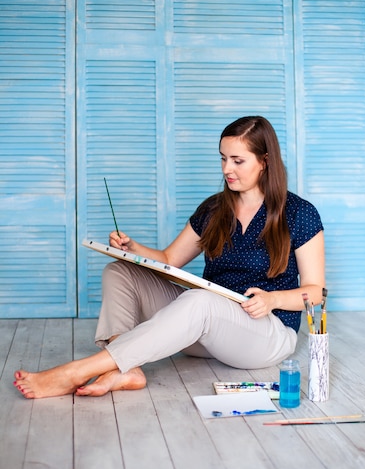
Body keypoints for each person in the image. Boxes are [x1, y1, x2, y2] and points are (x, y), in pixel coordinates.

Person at [14, 115, 325, 399]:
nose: (226, 169)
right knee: (118, 271)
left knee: (199, 301)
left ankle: (75, 371)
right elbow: (169, 258)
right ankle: (125, 368)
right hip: (207, 331)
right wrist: (132, 249)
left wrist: (271, 300)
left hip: (266, 335)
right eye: (223, 158)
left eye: (237, 160)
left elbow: (316, 292)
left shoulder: (299, 213)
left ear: (265, 162)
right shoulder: (214, 209)